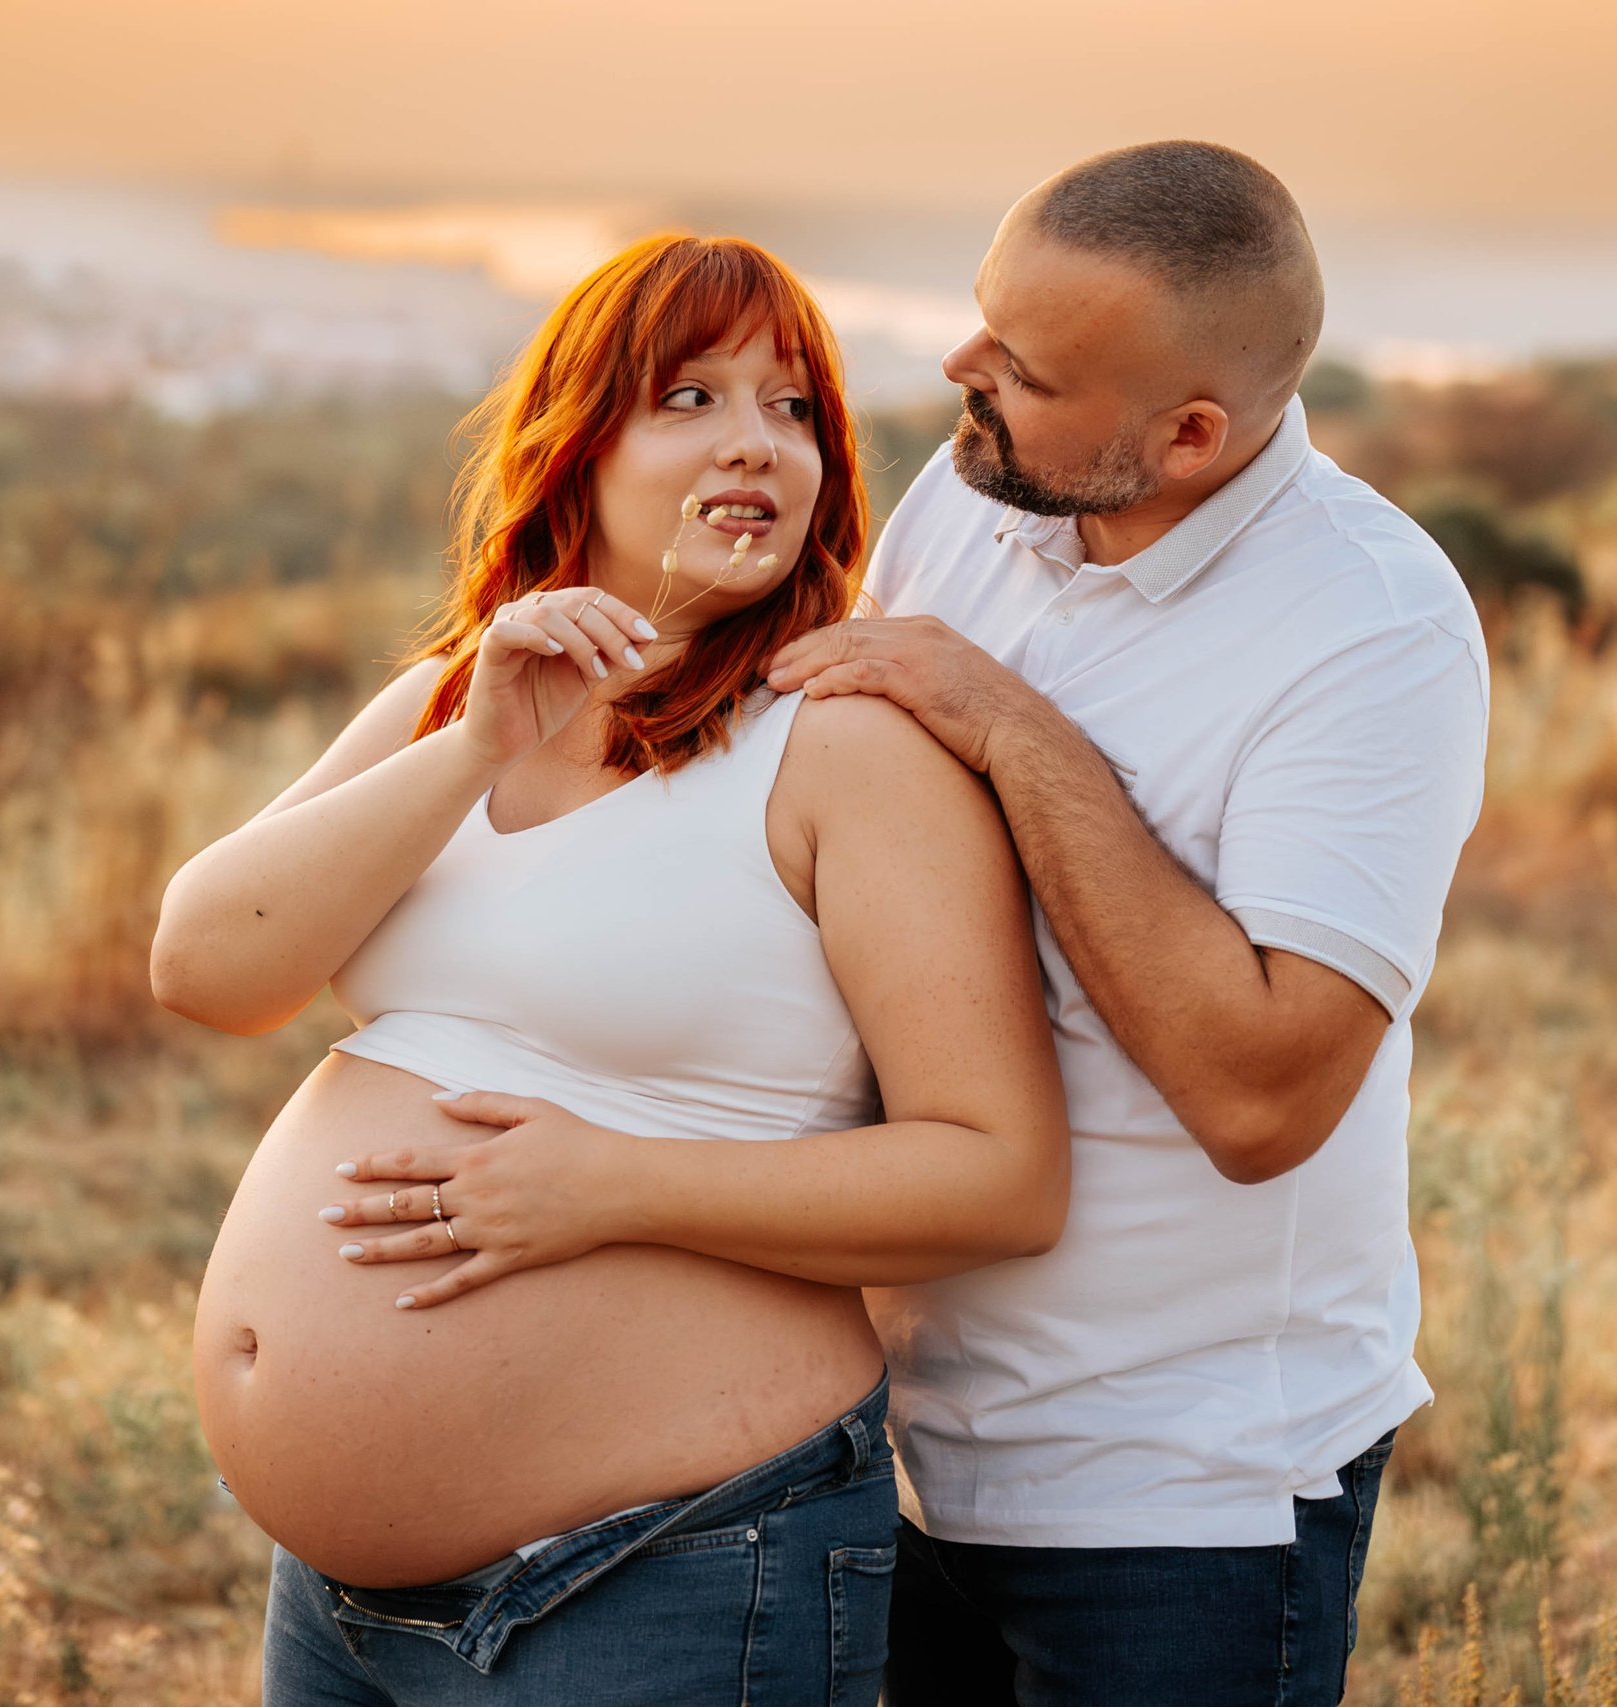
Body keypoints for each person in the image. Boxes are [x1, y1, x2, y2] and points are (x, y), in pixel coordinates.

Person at [151, 233, 1069, 1707]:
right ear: (575, 443)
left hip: (670, 1568)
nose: (756, 446)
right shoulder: (457, 699)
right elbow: (206, 969)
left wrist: (611, 1186)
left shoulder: (841, 739)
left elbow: (998, 1176)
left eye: (792, 411)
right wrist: (473, 746)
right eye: (691, 400)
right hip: (340, 1604)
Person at [764, 140, 1492, 1705]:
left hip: (1179, 1499)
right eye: (979, 319)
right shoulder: (970, 510)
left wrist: (1017, 731)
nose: (960, 370)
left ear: (1190, 435)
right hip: (892, 1446)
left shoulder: (1373, 629)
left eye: (1019, 367)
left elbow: (1263, 1093)